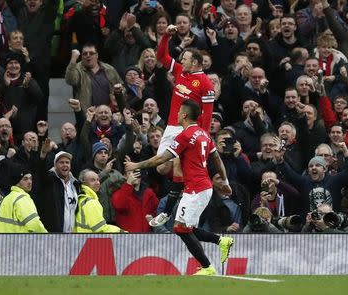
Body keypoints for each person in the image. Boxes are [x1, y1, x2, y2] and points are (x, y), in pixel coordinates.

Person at [125, 100, 234, 276]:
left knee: (180, 228)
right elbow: (217, 160)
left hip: (197, 188)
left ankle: (208, 267)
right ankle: (220, 242)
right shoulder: (204, 134)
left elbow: (161, 159)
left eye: (178, 112)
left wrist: (136, 165)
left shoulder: (184, 136)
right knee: (185, 227)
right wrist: (226, 182)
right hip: (200, 186)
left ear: (184, 114)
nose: (176, 114)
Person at [151, 24, 215, 226]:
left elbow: (208, 113)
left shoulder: (205, 83)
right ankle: (182, 189)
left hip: (189, 129)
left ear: (195, 62)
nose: (181, 61)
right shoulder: (180, 72)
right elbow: (162, 57)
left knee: (177, 162)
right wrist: (165, 37)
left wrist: (200, 135)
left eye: (185, 58)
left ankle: (170, 208)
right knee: (162, 168)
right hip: (171, 126)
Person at [0, 166, 47, 233]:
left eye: (31, 179)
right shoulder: (23, 199)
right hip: (19, 242)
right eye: (25, 179)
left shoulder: (5, 199)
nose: (30, 182)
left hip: (3, 241)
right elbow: (34, 224)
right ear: (17, 181)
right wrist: (47, 238)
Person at [74, 169, 125, 233]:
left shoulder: (82, 197)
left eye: (98, 179)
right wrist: (120, 231)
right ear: (84, 182)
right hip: (89, 239)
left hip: (80, 238)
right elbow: (100, 228)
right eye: (92, 180)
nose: (97, 182)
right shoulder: (90, 202)